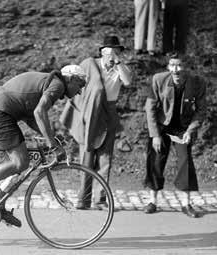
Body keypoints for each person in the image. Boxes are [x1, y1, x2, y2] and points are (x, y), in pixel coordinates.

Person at [0, 65, 88, 227]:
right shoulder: (58, 85)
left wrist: (52, 139)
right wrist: (53, 145)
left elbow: (32, 118)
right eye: (81, 85)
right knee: (20, 161)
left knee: (22, 160)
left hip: (0, 106)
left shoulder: (52, 82)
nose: (80, 91)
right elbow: (39, 113)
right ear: (71, 78)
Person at [60, 35, 132, 209]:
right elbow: (74, 84)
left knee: (105, 158)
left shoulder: (120, 69)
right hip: (89, 115)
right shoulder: (89, 65)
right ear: (102, 52)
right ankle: (83, 200)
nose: (113, 55)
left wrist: (118, 62)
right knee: (87, 156)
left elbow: (128, 81)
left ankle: (100, 200)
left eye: (117, 51)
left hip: (109, 114)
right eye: (110, 51)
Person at [144, 52, 206, 218]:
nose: (176, 69)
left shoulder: (198, 83)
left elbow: (201, 111)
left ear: (186, 67)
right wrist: (155, 135)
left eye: (179, 65)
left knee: (185, 162)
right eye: (172, 65)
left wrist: (190, 130)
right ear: (168, 66)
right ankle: (152, 201)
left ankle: (186, 204)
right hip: (161, 126)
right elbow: (149, 108)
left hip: (183, 128)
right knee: (156, 160)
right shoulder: (158, 80)